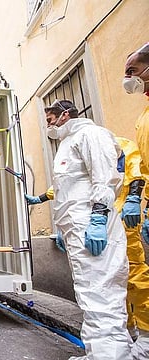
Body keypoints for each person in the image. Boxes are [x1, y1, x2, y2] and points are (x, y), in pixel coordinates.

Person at [26, 136, 149, 347]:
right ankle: (123, 335)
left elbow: (134, 172)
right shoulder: (79, 151)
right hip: (93, 223)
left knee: (133, 275)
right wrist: (41, 200)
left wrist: (133, 199)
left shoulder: (116, 144)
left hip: (118, 219)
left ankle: (145, 334)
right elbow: (66, 184)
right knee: (107, 283)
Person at [44, 99, 131, 359]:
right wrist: (63, 227)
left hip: (92, 226)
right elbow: (69, 190)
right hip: (77, 228)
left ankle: (111, 356)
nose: (49, 124)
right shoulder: (67, 144)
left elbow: (105, 179)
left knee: (102, 293)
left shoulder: (91, 134)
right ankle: (100, 353)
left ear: (65, 115)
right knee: (90, 292)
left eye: (50, 118)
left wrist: (99, 218)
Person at [123, 42, 149, 358]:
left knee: (138, 275)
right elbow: (143, 165)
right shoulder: (143, 115)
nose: (128, 79)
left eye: (132, 71)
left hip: (127, 216)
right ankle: (138, 336)